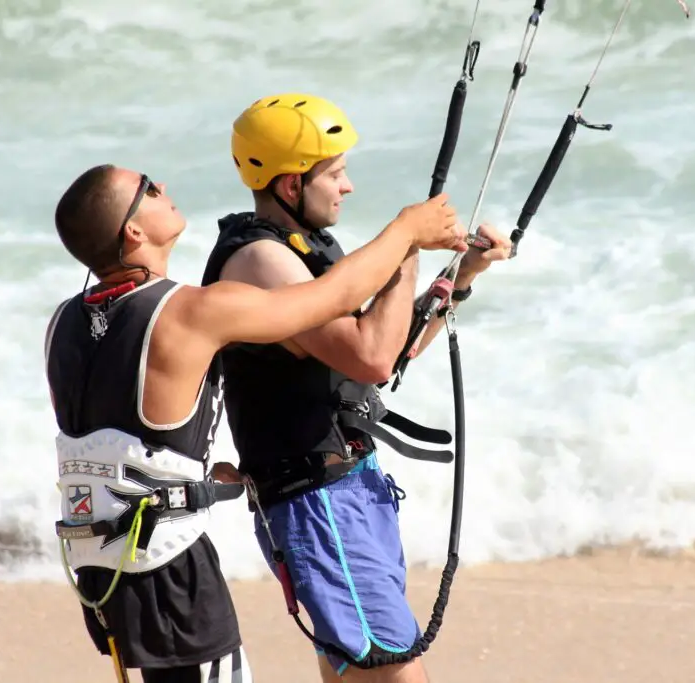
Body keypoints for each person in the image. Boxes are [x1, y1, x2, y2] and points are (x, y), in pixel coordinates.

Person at [44, 163, 467, 683]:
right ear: (133, 231)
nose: (165, 188)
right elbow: (331, 299)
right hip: (170, 568)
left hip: (100, 570)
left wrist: (194, 477)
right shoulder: (190, 311)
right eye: (149, 188)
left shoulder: (62, 323)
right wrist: (406, 232)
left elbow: (118, 437)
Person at [199, 93, 512, 682]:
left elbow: (385, 349)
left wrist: (461, 276)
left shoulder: (306, 250)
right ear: (291, 186)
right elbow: (370, 355)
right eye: (335, 174)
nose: (347, 187)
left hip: (351, 490)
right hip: (317, 503)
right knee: (394, 672)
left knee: (356, 671)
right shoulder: (260, 261)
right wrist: (407, 242)